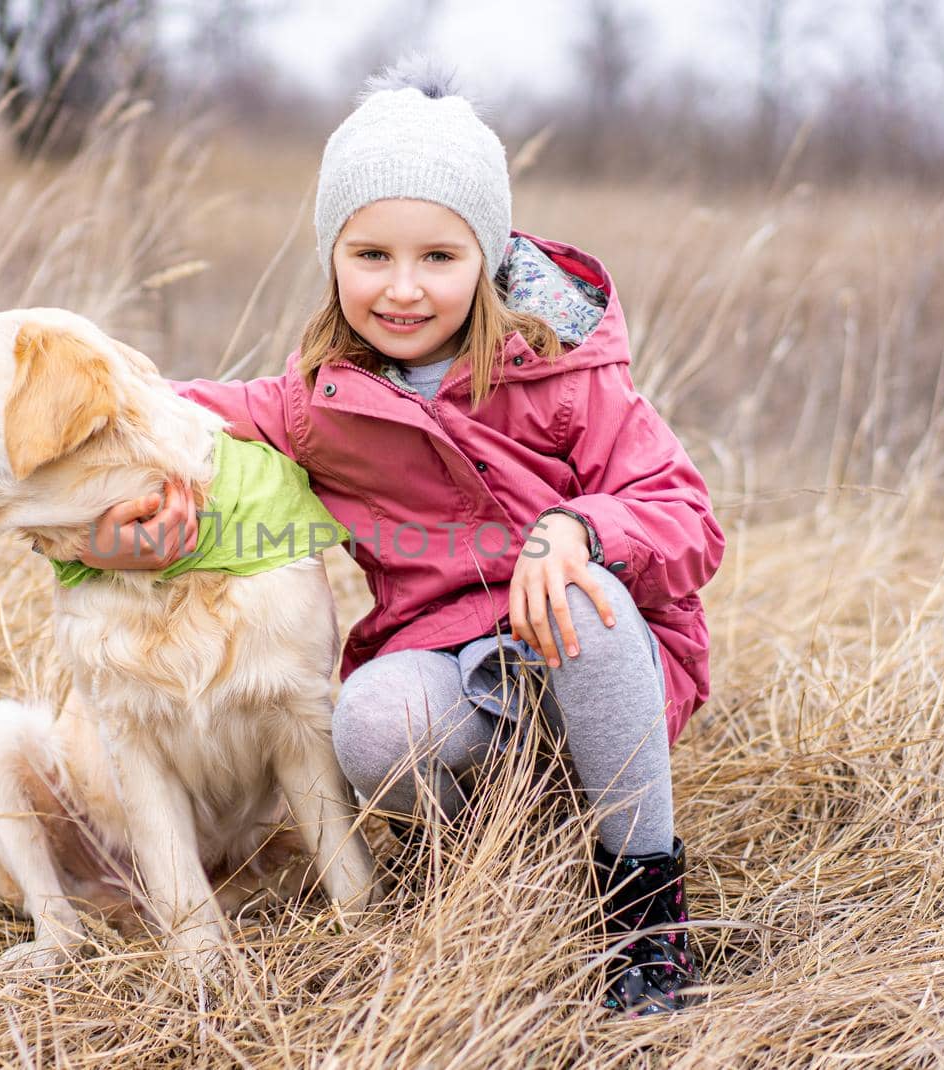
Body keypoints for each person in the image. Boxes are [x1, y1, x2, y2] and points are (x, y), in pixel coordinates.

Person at [73, 58, 723, 1016]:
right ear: (333, 258)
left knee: (582, 607)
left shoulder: (567, 373)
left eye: (440, 258)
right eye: (370, 255)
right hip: (451, 665)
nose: (404, 289)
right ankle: (495, 857)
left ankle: (644, 913)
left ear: (489, 257)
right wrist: (95, 529)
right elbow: (165, 419)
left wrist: (578, 528)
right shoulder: (318, 406)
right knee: (367, 721)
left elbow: (687, 516)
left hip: (603, 646)